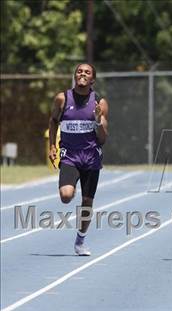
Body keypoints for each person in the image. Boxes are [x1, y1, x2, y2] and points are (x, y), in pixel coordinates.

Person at [48, 63, 109, 256]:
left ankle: (80, 240)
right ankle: (71, 185)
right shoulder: (62, 98)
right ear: (75, 76)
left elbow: (103, 138)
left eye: (87, 72)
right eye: (79, 71)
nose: (82, 74)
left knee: (87, 202)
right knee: (66, 196)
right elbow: (53, 121)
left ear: (92, 80)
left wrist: (98, 120)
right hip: (70, 156)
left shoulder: (99, 102)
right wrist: (52, 146)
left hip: (91, 157)